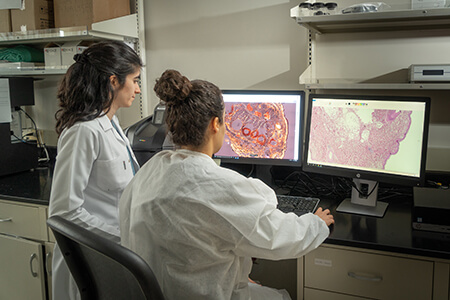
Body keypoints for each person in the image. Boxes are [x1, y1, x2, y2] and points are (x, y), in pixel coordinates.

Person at [119, 69, 334, 300]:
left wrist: (238, 272)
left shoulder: (148, 172)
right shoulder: (219, 186)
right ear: (215, 124)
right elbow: (281, 238)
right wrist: (316, 224)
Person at [49, 40, 143, 300]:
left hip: (113, 254)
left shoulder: (110, 124)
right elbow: (64, 212)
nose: (137, 88)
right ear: (114, 81)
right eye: (134, 80)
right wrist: (124, 238)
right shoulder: (83, 131)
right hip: (91, 259)